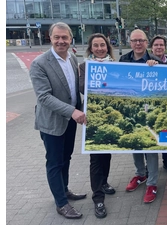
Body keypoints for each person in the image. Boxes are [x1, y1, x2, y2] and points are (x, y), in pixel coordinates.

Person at [29, 22, 87, 219]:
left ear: (71, 39)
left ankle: (64, 190)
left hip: (70, 120)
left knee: (66, 158)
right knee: (54, 162)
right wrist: (73, 111)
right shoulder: (40, 63)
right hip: (52, 122)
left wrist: (82, 108)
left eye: (65, 37)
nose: (61, 41)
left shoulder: (72, 58)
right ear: (50, 38)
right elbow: (44, 97)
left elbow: (74, 89)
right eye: (57, 37)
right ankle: (61, 203)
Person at [120, 29, 164, 203]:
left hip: (149, 109)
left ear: (147, 43)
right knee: (135, 142)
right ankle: (140, 174)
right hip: (131, 108)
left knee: (150, 146)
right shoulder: (123, 60)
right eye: (134, 41)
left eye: (141, 40)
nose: (138, 44)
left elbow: (164, 86)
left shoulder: (157, 61)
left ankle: (152, 182)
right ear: (130, 42)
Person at [78, 33, 116, 218]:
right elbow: (81, 87)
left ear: (107, 47)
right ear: (91, 48)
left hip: (110, 116)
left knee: (107, 154)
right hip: (94, 117)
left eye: (103, 45)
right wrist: (97, 72)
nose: (100, 48)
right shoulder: (84, 66)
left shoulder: (115, 65)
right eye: (96, 46)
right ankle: (98, 199)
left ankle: (104, 182)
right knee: (95, 158)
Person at [149, 35, 167, 175]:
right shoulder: (147, 63)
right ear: (152, 47)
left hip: (166, 104)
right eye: (156, 45)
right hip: (152, 104)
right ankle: (150, 166)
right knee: (152, 131)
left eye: (161, 45)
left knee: (165, 130)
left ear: (165, 47)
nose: (159, 47)